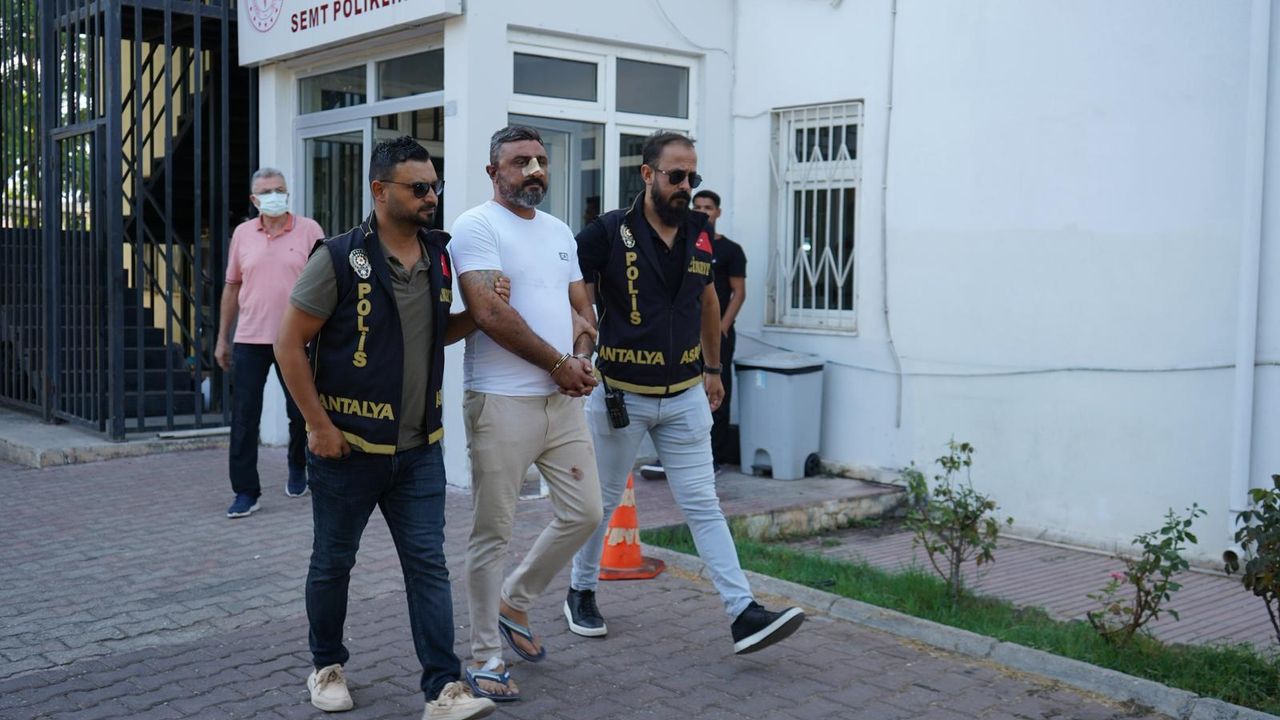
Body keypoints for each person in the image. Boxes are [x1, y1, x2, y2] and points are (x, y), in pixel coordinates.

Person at [274, 136, 497, 720]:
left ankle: (444, 688)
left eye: (435, 187)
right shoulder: (338, 257)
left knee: (428, 566)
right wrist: (318, 426)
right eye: (418, 188)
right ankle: (326, 665)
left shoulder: (439, 254)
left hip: (420, 450)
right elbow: (287, 344)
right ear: (380, 190)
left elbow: (433, 333)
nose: (431, 197)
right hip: (347, 450)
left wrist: (478, 315)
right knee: (333, 563)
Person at [565, 131, 805, 655]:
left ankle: (743, 611)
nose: (686, 186)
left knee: (704, 504)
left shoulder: (699, 231)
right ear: (647, 174)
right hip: (622, 395)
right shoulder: (608, 232)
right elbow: (573, 290)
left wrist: (713, 368)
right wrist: (581, 345)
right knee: (601, 503)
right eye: (676, 176)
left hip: (684, 394)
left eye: (692, 176)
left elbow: (709, 301)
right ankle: (580, 590)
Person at [449, 125, 602, 703]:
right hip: (501, 400)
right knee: (493, 530)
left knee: (585, 513)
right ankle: (485, 656)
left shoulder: (560, 230)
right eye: (520, 162)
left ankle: (516, 600)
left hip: (562, 402)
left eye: (540, 160)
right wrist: (560, 363)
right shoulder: (477, 226)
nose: (535, 170)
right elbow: (488, 312)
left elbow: (582, 309)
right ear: (494, 172)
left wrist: (580, 357)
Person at [217, 168, 325, 518]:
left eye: (279, 189)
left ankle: (298, 467)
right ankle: (245, 491)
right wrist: (222, 338)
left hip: (296, 339)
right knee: (244, 418)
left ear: (288, 193)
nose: (274, 196)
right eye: (266, 192)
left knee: (301, 412)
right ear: (254, 199)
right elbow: (232, 286)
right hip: (250, 339)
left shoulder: (309, 230)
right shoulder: (243, 234)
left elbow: (326, 284)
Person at [692, 190, 746, 470]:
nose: (703, 212)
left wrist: (722, 326)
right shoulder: (685, 244)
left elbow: (739, 292)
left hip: (718, 335)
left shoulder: (731, 250)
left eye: (708, 208)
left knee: (717, 389)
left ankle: (715, 455)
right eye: (698, 207)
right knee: (688, 392)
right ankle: (686, 453)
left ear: (718, 212)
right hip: (688, 334)